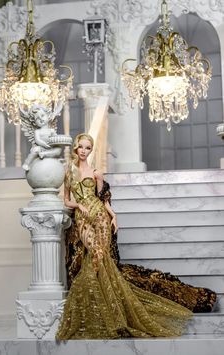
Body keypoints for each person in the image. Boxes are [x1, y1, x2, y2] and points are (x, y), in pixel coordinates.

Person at [56, 133, 193, 340]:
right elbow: (66, 201)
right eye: (81, 147)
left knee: (101, 256)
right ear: (75, 148)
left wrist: (114, 216)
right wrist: (79, 205)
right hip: (83, 217)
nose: (84, 151)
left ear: (90, 150)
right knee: (94, 255)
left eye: (88, 148)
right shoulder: (68, 171)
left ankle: (108, 309)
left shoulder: (95, 172)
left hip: (101, 215)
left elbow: (103, 199)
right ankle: (98, 308)